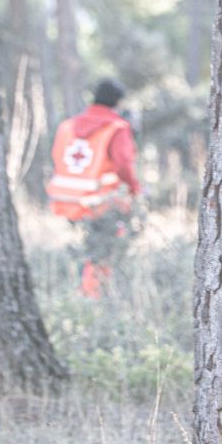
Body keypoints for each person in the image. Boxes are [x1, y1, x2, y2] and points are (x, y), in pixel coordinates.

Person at [46, 78, 141, 299]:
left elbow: (56, 157)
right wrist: (135, 190)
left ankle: (86, 289)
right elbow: (123, 165)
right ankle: (94, 295)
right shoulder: (117, 128)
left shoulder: (67, 126)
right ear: (117, 102)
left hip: (64, 199)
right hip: (99, 202)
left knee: (87, 249)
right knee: (103, 249)